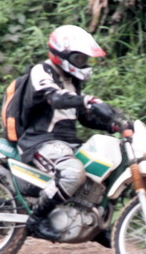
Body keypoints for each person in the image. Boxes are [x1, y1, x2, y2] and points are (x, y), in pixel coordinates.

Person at [9, 24, 123, 242]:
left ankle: (94, 223)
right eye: (78, 58)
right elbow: (54, 98)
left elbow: (83, 117)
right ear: (61, 54)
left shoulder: (73, 81)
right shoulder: (42, 71)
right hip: (40, 141)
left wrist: (113, 125)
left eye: (84, 59)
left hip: (65, 143)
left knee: (104, 168)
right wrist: (87, 100)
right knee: (72, 173)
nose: (83, 63)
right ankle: (36, 219)